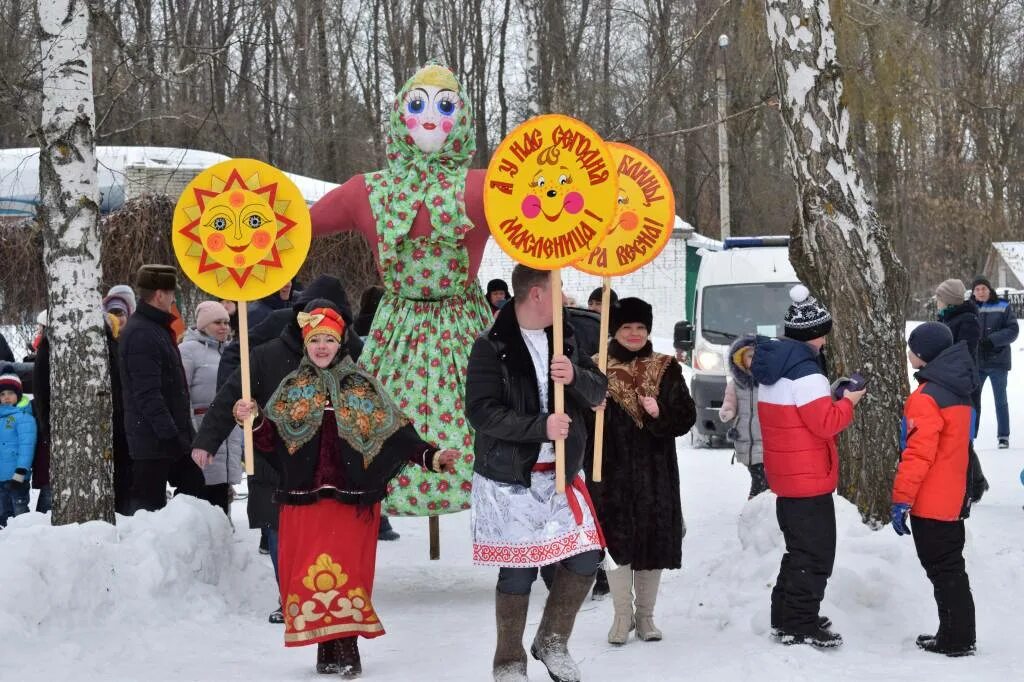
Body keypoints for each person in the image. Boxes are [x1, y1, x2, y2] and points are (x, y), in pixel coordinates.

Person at [227, 305, 460, 677]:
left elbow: (396, 434)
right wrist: (250, 419)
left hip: (351, 501)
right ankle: (325, 646)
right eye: (315, 340)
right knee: (307, 574)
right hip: (304, 500)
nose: (322, 347)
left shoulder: (361, 385)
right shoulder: (292, 386)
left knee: (347, 574)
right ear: (306, 344)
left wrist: (431, 456)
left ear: (340, 343)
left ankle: (348, 646)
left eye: (329, 340)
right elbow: (269, 440)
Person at [310, 64, 495, 517]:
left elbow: (545, 215)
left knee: (484, 408)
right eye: (418, 106)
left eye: (445, 106)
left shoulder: (487, 187)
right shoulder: (367, 192)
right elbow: (298, 225)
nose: (430, 118)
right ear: (400, 115)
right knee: (379, 414)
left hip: (461, 328)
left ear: (463, 117)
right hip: (400, 328)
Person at [467, 264, 608, 682]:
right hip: (511, 478)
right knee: (519, 569)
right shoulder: (491, 347)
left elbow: (598, 390)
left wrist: (576, 376)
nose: (565, 298)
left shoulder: (564, 336)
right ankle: (508, 660)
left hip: (562, 474)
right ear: (535, 294)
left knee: (587, 558)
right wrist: (540, 426)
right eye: (559, 289)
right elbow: (481, 412)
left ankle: (552, 640)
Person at [198, 277, 362, 621]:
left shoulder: (346, 348)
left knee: (316, 531)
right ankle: (289, 595)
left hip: (323, 461)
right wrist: (208, 440)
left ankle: (316, 593)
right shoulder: (269, 345)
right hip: (272, 450)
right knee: (277, 527)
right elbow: (234, 387)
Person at [750, 284, 865, 649]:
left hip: (788, 474)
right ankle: (799, 624)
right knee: (815, 555)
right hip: (809, 477)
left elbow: (799, 416)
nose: (827, 342)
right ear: (816, 334)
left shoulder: (776, 367)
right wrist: (849, 401)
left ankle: (785, 616)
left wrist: (830, 397)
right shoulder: (807, 374)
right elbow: (826, 424)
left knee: (798, 550)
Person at [587, 297, 695, 646]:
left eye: (640, 327)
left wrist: (660, 410)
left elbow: (686, 417)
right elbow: (573, 423)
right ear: (615, 330)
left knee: (651, 540)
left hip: (655, 472)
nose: (634, 334)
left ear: (648, 330)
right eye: (626, 327)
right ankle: (622, 617)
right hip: (610, 472)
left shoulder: (666, 368)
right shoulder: (594, 368)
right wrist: (591, 407)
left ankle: (646, 618)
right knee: (617, 544)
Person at [892, 322, 977, 657]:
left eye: (912, 348)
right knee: (949, 568)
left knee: (943, 570)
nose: (909, 353)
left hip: (932, 499)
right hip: (955, 493)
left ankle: (957, 639)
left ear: (925, 355)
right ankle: (955, 633)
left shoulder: (925, 398)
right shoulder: (958, 390)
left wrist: (901, 499)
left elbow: (917, 454)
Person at [119, 264, 207, 513]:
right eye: (171, 294)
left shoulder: (154, 328)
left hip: (167, 436)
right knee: (149, 511)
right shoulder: (141, 334)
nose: (174, 299)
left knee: (194, 492)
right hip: (153, 442)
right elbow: (147, 394)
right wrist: (171, 437)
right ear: (159, 295)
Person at [32, 302, 130, 515]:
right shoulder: (54, 342)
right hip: (75, 434)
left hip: (115, 429)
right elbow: (41, 390)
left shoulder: (109, 341)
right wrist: (49, 428)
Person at [179, 301, 242, 515]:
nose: (224, 326)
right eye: (218, 322)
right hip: (202, 427)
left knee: (222, 485)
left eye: (226, 322)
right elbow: (182, 393)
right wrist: (191, 430)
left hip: (229, 429)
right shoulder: (188, 351)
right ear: (204, 325)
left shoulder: (232, 351)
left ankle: (224, 527)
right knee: (204, 486)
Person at [935, 278, 988, 502]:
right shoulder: (948, 319)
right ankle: (976, 483)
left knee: (962, 439)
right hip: (949, 384)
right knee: (958, 440)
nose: (936, 302)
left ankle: (973, 486)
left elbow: (962, 353)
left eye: (939, 298)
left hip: (963, 387)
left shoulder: (967, 321)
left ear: (948, 300)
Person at [969, 276, 1018, 448]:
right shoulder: (970, 308)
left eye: (984, 288)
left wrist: (992, 341)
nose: (981, 292)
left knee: (1001, 400)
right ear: (973, 292)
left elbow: (1013, 330)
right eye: (977, 289)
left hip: (998, 362)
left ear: (989, 290)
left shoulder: (1003, 306)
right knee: (973, 401)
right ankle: (970, 437)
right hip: (977, 363)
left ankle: (1003, 436)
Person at [719, 335, 768, 499]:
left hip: (766, 438)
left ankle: (757, 508)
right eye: (749, 356)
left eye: (757, 356)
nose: (754, 360)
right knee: (759, 477)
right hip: (745, 439)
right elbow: (730, 402)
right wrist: (728, 411)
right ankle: (756, 511)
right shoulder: (736, 384)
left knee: (763, 480)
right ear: (740, 359)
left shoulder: (769, 382)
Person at [0, 371, 35, 527]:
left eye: (10, 393)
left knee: (19, 512)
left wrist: (21, 471)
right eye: (2, 394)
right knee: (2, 513)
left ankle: (24, 542)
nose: (6, 397)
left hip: (16, 477)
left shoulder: (23, 417)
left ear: (19, 395)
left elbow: (27, 445)